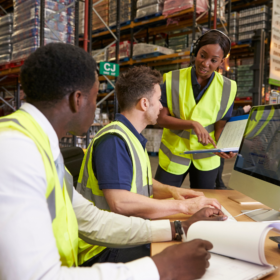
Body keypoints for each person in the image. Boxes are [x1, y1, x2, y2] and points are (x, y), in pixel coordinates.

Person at [0, 43, 227, 280]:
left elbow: (92, 220)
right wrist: (161, 268)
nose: (97, 106)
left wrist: (178, 228)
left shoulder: (41, 145)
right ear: (78, 99)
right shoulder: (16, 150)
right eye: (95, 96)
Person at [77, 66, 221, 266]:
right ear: (144, 103)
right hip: (103, 248)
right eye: (159, 99)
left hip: (123, 235)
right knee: (193, 255)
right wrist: (183, 207)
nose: (162, 106)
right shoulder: (114, 141)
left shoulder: (130, 137)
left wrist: (174, 191)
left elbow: (141, 181)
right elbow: (120, 203)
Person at [156, 29, 237, 189]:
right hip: (174, 154)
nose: (206, 63)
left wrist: (224, 146)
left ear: (221, 62)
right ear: (196, 52)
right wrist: (192, 124)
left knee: (204, 205)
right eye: (202, 55)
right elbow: (161, 119)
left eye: (214, 60)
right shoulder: (171, 79)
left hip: (207, 156)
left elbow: (220, 125)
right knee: (160, 198)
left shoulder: (228, 87)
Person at [216, 105, 251, 189]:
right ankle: (219, 184)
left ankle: (219, 183)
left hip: (219, 139)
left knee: (219, 161)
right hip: (215, 139)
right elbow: (225, 114)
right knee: (219, 160)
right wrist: (242, 110)